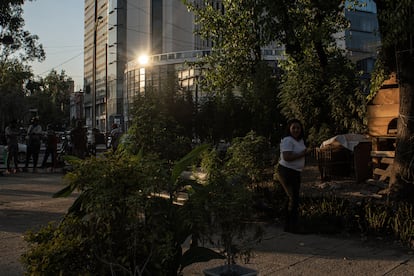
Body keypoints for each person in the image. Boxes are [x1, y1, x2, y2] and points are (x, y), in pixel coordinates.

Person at [277, 119, 309, 233]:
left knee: (290, 198)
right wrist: (302, 154)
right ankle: (294, 226)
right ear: (289, 129)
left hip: (295, 171)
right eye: (294, 127)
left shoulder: (299, 141)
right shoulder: (287, 140)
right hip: (286, 171)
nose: (296, 130)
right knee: (293, 199)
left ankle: (288, 225)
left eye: (298, 128)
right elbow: (287, 157)